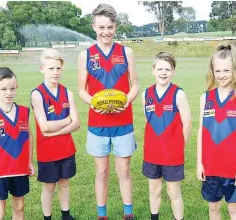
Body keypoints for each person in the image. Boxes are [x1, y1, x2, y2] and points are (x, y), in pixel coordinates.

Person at [78, 3, 139, 220]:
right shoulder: (85, 55)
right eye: (102, 27)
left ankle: (128, 214)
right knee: (101, 172)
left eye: (110, 27)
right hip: (97, 123)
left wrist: (127, 100)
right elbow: (81, 90)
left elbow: (135, 86)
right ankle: (101, 215)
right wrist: (93, 104)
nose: (106, 32)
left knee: (124, 170)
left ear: (115, 27)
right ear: (94, 26)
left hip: (123, 121)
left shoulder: (127, 52)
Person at [197, 44, 236, 220]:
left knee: (234, 210)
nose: (221, 75)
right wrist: (199, 163)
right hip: (210, 167)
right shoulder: (206, 98)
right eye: (217, 71)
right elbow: (201, 134)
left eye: (226, 70)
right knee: (213, 209)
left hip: (233, 169)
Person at [31, 48, 80, 220]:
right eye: (51, 68)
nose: (55, 72)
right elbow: (44, 126)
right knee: (49, 187)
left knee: (65, 183)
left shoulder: (67, 93)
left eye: (58, 68)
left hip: (66, 149)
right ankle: (47, 217)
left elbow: (77, 123)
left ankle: (66, 215)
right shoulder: (37, 94)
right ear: (42, 69)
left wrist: (56, 130)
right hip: (48, 151)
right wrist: (66, 121)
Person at [142, 52, 191, 220]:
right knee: (154, 190)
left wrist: (179, 148)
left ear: (173, 71)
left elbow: (187, 124)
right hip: (152, 154)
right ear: (153, 70)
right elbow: (148, 120)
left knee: (173, 192)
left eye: (168, 69)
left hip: (172, 155)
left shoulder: (179, 94)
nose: (163, 73)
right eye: (160, 68)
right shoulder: (146, 94)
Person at [0, 67, 35, 220]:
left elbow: (29, 137)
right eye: (3, 89)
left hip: (19, 169)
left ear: (16, 87)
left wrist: (29, 162)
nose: (8, 93)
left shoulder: (24, 112)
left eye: (12, 88)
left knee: (19, 207)